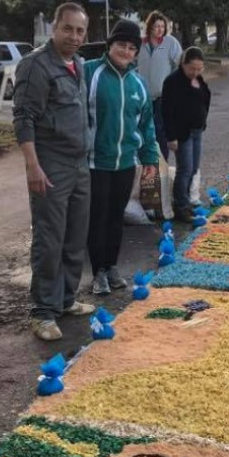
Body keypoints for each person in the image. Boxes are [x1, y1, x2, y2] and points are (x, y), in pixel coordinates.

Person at [13, 2, 95, 342]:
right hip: (51, 166)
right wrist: (33, 166)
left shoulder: (78, 64)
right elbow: (23, 118)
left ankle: (65, 299)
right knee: (49, 239)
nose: (74, 36)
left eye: (80, 31)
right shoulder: (36, 65)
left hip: (79, 164)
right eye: (68, 29)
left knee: (76, 237)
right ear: (54, 28)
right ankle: (42, 311)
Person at [84, 20, 159, 294]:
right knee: (98, 217)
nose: (126, 52)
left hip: (126, 163)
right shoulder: (88, 72)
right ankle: (97, 273)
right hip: (95, 163)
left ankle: (111, 267)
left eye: (131, 48)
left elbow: (146, 125)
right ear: (110, 45)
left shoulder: (138, 84)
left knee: (116, 217)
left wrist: (149, 159)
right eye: (121, 45)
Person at [161, 46, 211, 222]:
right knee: (185, 169)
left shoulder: (199, 80)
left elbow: (204, 101)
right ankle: (180, 206)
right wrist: (171, 136)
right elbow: (167, 111)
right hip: (182, 133)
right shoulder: (173, 81)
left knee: (193, 168)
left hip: (197, 131)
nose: (195, 72)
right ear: (183, 63)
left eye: (199, 68)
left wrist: (202, 122)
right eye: (192, 68)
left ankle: (187, 201)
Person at [136, 10, 182, 159]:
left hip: (163, 95)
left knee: (161, 130)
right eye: (157, 26)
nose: (160, 29)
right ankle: (146, 160)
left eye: (162, 26)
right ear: (150, 27)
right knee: (145, 129)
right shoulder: (141, 44)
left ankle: (162, 161)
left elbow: (180, 64)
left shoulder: (170, 42)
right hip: (144, 96)